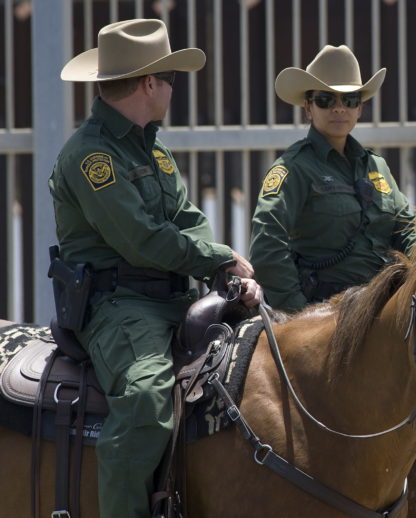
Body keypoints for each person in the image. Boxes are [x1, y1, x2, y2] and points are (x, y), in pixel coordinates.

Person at [50, 19, 262, 518]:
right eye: (170, 77)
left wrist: (225, 275)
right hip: (119, 308)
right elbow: (141, 239)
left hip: (173, 299)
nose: (172, 88)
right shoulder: (90, 156)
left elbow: (187, 220)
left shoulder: (153, 148)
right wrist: (220, 258)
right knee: (146, 402)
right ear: (150, 82)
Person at [250, 45, 416, 312]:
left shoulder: (377, 166)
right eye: (326, 99)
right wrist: (299, 313)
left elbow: (407, 230)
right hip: (324, 312)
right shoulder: (294, 168)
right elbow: (267, 245)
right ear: (308, 108)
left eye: (349, 100)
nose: (339, 108)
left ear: (360, 108)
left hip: (382, 309)